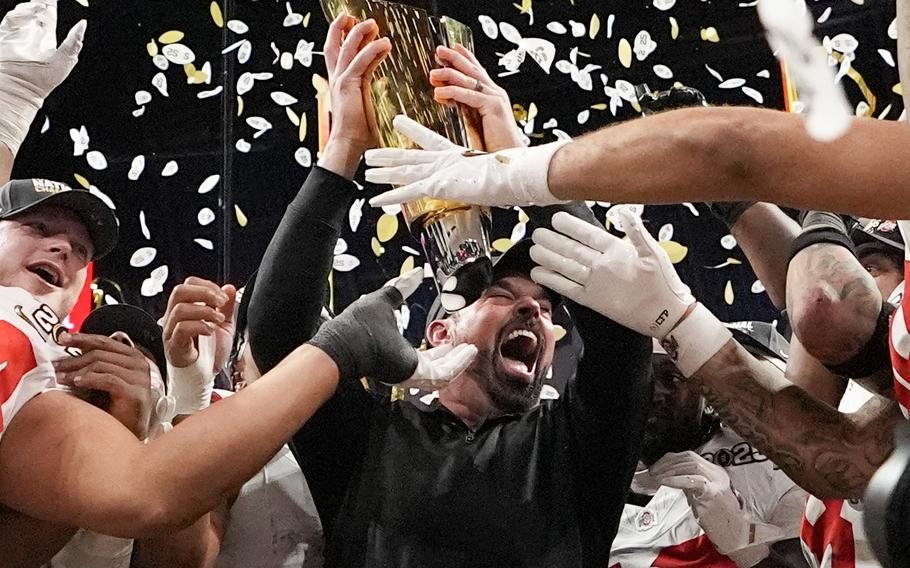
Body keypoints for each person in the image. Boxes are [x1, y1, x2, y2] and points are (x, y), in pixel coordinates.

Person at [247, 16, 652, 566]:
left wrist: (523, 164)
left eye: (545, 305)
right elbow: (278, 338)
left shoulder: (575, 450)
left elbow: (621, 329)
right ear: (440, 333)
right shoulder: (368, 438)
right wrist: (342, 149)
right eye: (502, 296)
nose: (533, 306)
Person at [610, 327, 807, 568]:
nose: (655, 394)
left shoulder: (774, 468)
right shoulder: (585, 468)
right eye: (642, 378)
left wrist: (744, 540)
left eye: (672, 379)